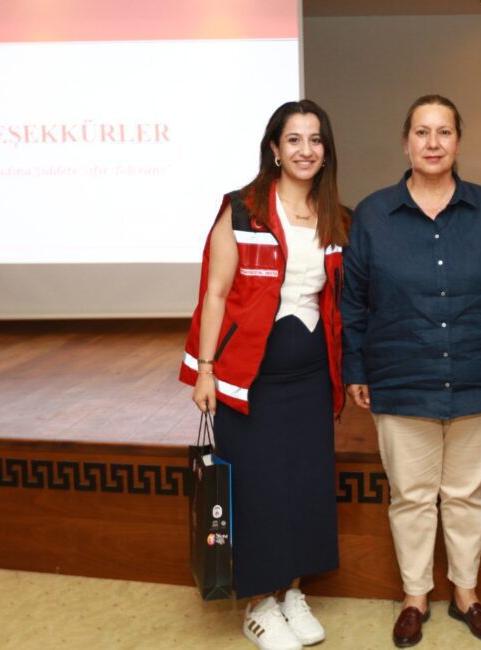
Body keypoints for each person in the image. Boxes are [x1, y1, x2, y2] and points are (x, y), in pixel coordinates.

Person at [341, 94, 481, 648]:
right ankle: (415, 597)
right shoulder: (373, 214)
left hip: (478, 375)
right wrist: (356, 367)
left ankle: (466, 594)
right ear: (406, 143)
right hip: (400, 378)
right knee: (411, 496)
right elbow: (353, 302)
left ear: (458, 142)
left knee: (468, 495)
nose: (432, 143)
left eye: (443, 132)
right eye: (422, 132)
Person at [179, 100, 348, 650]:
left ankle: (291, 590)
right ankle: (258, 603)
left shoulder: (336, 216)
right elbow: (216, 293)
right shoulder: (241, 209)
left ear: (326, 150)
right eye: (293, 139)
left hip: (312, 378)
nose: (305, 150)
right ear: (274, 148)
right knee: (257, 487)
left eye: (315, 140)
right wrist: (205, 369)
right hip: (248, 379)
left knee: (305, 485)